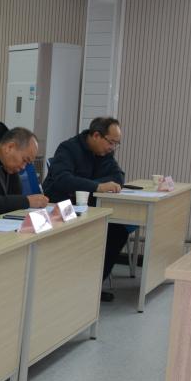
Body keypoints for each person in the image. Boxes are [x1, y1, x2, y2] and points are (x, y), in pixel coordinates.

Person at [42, 116, 128, 300]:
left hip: (87, 209)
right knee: (87, 232)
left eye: (116, 144)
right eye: (111, 142)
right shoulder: (68, 148)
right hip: (60, 206)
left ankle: (94, 285)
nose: (112, 148)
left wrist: (89, 185)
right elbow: (63, 180)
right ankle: (70, 286)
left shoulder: (104, 154)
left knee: (118, 232)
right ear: (96, 135)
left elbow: (118, 177)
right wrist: (97, 186)